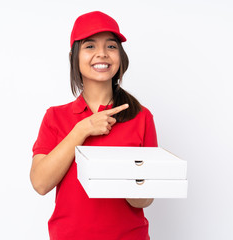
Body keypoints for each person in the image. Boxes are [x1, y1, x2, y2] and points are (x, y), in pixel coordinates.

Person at [30, 11, 158, 240]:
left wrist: (122, 177)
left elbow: (146, 199)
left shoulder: (141, 116)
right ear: (74, 57)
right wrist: (83, 129)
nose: (102, 54)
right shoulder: (55, 117)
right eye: (90, 46)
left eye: (111, 46)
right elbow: (40, 183)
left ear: (121, 56)